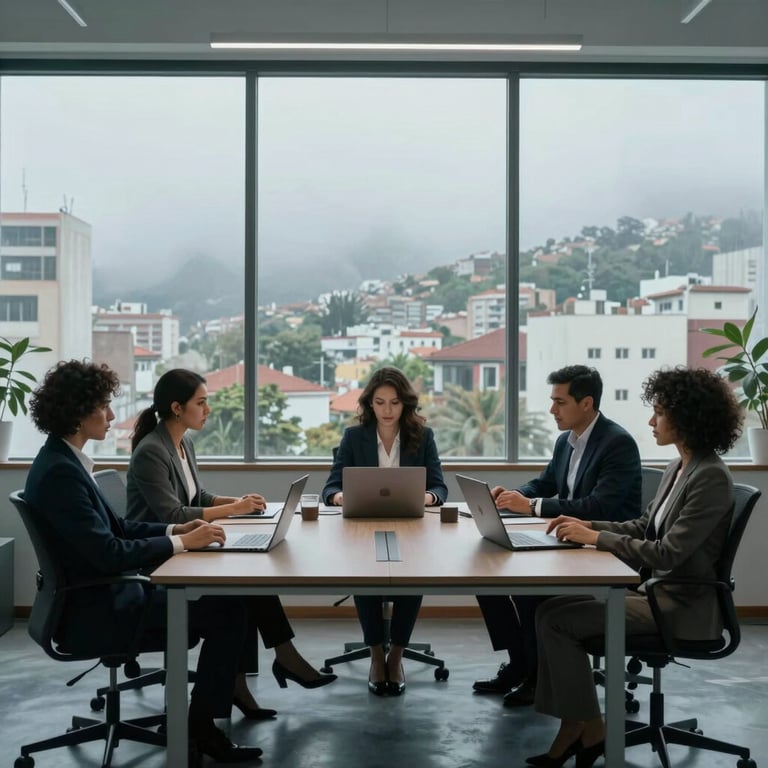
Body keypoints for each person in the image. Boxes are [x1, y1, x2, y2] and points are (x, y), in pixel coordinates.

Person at [24, 360, 262, 763]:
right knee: (230, 611)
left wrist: (178, 535)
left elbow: (120, 527)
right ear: (78, 413)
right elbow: (108, 552)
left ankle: (202, 720)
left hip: (101, 593)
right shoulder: (61, 475)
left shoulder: (65, 464)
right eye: (103, 406)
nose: (113, 415)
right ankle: (200, 727)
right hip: (97, 607)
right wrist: (183, 545)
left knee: (230, 604)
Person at [529, 366, 742, 768]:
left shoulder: (710, 477)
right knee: (550, 609)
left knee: (556, 621)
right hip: (658, 593)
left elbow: (666, 553)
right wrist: (589, 526)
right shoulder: (680, 467)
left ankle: (585, 728)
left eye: (659, 412)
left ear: (687, 418)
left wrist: (597, 539)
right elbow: (645, 526)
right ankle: (582, 726)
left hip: (680, 604)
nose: (651, 420)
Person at [126, 369, 336, 719]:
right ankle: (273, 664)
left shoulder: (182, 442)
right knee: (239, 594)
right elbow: (173, 512)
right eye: (201, 402)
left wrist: (239, 502)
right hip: (159, 560)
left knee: (251, 578)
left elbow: (199, 495)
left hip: (186, 547)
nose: (208, 410)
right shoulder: (152, 450)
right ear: (177, 408)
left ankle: (266, 667)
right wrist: (234, 509)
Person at [473, 365, 642, 706]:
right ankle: (521, 663)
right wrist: (512, 497)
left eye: (560, 402)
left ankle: (538, 676)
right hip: (568, 541)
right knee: (487, 579)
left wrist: (532, 507)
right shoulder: (567, 441)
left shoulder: (617, 443)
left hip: (604, 551)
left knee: (528, 590)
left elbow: (599, 507)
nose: (552, 410)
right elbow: (546, 483)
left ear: (586, 403)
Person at [322, 366, 448, 696]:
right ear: (370, 404)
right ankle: (377, 655)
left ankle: (398, 655)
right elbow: (331, 486)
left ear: (405, 403)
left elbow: (440, 486)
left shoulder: (424, 436)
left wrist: (428, 496)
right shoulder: (354, 436)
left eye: (394, 402)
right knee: (366, 574)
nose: (388, 410)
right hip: (364, 526)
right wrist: (338, 496)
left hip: (411, 527)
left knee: (413, 574)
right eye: (380, 403)